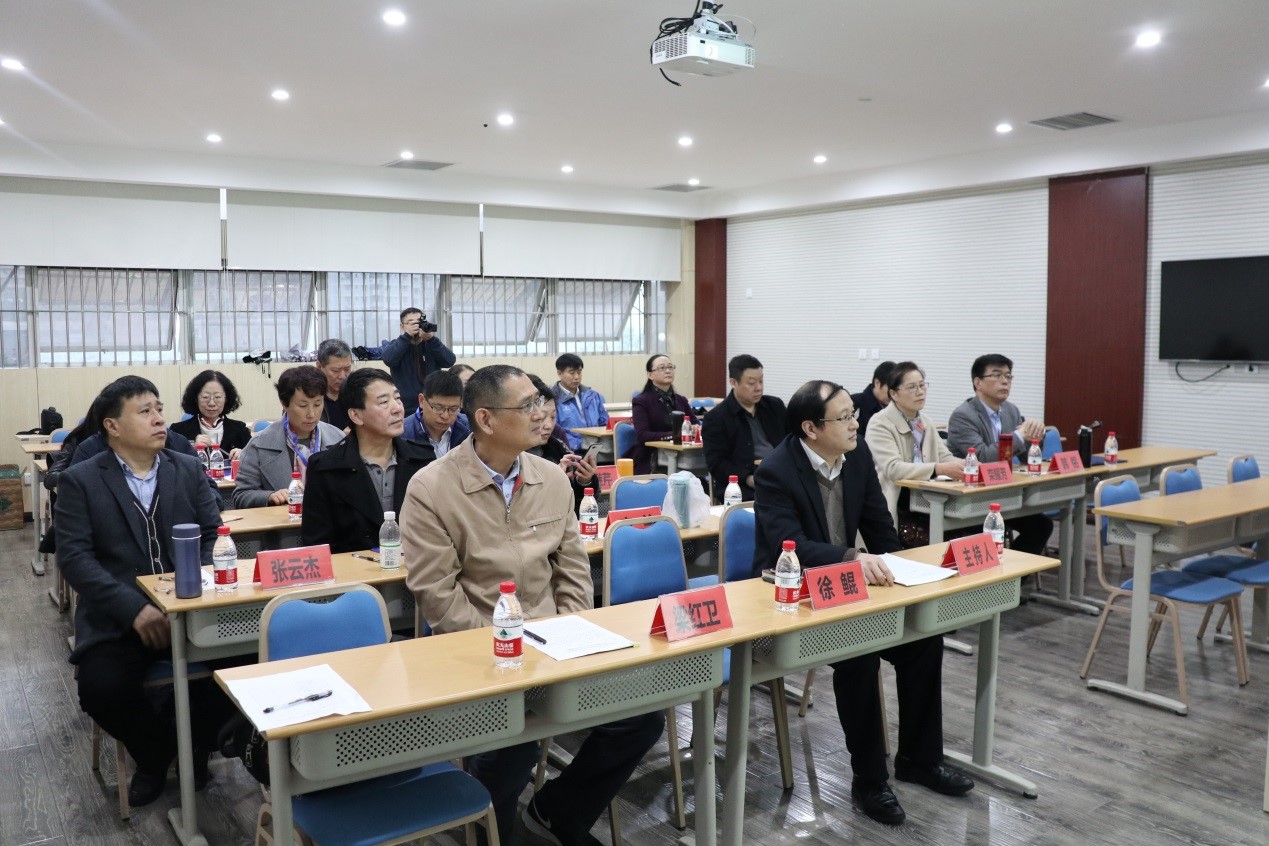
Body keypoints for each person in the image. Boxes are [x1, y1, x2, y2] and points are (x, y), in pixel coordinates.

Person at [401, 364, 663, 846]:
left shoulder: (551, 478)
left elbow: (573, 568)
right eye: (527, 406)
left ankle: (557, 811)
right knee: (511, 748)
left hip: (554, 643)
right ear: (485, 419)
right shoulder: (431, 487)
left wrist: (569, 634)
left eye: (540, 402)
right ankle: (494, 831)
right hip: (479, 652)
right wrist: (504, 651)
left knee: (641, 716)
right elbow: (437, 593)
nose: (542, 413)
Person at [752, 379, 973, 826]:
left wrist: (905, 574)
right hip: (793, 594)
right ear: (811, 428)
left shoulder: (855, 458)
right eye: (844, 418)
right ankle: (870, 779)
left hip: (850, 590)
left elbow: (880, 529)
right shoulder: (777, 470)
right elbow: (787, 545)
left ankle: (919, 760)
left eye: (854, 414)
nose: (856, 424)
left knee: (923, 640)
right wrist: (852, 557)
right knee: (859, 656)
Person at [55, 376, 229, 807]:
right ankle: (156, 754)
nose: (159, 419)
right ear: (112, 426)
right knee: (101, 688)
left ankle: (197, 743)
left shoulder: (186, 468)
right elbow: (75, 559)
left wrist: (195, 582)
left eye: (159, 409)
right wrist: (134, 609)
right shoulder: (81, 480)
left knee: (245, 663)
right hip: (119, 618)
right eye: (145, 411)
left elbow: (212, 532)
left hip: (190, 609)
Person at [302, 369, 434, 553]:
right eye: (384, 402)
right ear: (356, 415)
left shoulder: (423, 459)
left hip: (413, 568)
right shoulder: (325, 468)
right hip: (353, 570)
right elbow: (317, 548)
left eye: (397, 398)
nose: (397, 408)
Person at [945, 353, 1052, 554]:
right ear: (978, 382)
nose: (1005, 381)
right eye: (997, 375)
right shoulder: (963, 415)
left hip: (1001, 494)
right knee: (994, 533)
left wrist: (1036, 434)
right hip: (969, 499)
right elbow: (983, 458)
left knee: (1041, 525)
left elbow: (1026, 457)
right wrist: (1020, 435)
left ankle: (1014, 574)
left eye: (1008, 376)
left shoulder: (1011, 410)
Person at [865, 362, 965, 547]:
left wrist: (971, 465)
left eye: (922, 385)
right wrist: (938, 469)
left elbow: (945, 457)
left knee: (970, 533)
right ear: (894, 394)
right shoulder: (880, 423)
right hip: (898, 505)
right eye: (912, 387)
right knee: (943, 542)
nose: (920, 392)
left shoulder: (925, 421)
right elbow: (893, 469)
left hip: (929, 501)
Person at [232, 366, 344, 508]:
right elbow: (241, 496)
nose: (311, 414)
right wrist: (269, 497)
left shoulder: (338, 439)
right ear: (284, 403)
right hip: (283, 521)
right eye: (303, 405)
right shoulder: (259, 444)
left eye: (317, 404)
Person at [701, 353, 785, 501]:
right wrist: (748, 478)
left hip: (779, 476)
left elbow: (793, 442)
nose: (758, 388)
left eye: (761, 381)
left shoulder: (774, 406)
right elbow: (717, 464)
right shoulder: (716, 418)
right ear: (733, 382)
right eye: (751, 383)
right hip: (742, 486)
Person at [528, 375, 598, 507]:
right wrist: (553, 481)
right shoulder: (508, 457)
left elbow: (578, 509)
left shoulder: (557, 446)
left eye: (553, 417)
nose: (549, 425)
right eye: (541, 418)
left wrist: (584, 482)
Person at [627, 353, 696, 475]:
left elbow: (695, 423)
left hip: (683, 456)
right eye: (662, 368)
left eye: (670, 367)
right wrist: (675, 436)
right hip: (651, 458)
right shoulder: (641, 401)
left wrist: (696, 428)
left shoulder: (681, 400)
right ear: (650, 375)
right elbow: (642, 435)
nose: (668, 371)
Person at [382, 307, 456, 415]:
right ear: (402, 327)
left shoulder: (432, 344)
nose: (416, 325)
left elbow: (449, 361)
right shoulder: (397, 344)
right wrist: (407, 336)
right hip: (405, 407)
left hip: (432, 404)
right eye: (411, 322)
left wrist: (431, 339)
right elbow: (388, 359)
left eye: (418, 322)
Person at [169, 370, 251, 459]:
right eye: (205, 397)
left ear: (226, 398)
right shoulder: (177, 431)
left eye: (217, 397)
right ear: (196, 398)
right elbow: (169, 461)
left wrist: (244, 454)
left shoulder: (241, 429)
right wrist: (192, 448)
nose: (211, 403)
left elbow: (255, 458)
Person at [403, 370, 471, 457]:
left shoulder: (470, 428)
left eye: (453, 409)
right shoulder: (402, 434)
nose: (445, 416)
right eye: (438, 408)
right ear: (421, 401)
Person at [552, 352, 609, 450]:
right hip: (570, 450)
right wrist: (581, 444)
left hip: (597, 448)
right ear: (559, 374)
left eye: (579, 372)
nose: (577, 377)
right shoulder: (552, 399)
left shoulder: (594, 396)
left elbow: (605, 424)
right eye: (572, 373)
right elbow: (554, 432)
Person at [316, 338, 355, 431]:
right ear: (319, 367)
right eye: (336, 370)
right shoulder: (309, 395)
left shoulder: (356, 392)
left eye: (347, 369)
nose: (343, 376)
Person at [851, 360, 896, 440]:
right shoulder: (853, 403)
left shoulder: (896, 407)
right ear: (877, 383)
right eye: (890, 389)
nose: (893, 394)